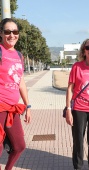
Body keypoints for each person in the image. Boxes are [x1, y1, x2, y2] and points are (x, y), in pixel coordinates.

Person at [65, 38, 89, 170]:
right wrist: (68, 109)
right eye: (88, 48)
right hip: (79, 109)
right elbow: (70, 88)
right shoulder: (77, 66)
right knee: (78, 141)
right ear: (84, 51)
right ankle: (78, 167)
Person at [0, 18, 31, 170]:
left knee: (19, 146)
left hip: (13, 109)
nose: (12, 35)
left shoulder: (19, 55)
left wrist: (28, 105)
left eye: (15, 31)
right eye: (7, 31)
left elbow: (21, 82)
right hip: (0, 108)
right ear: (1, 33)